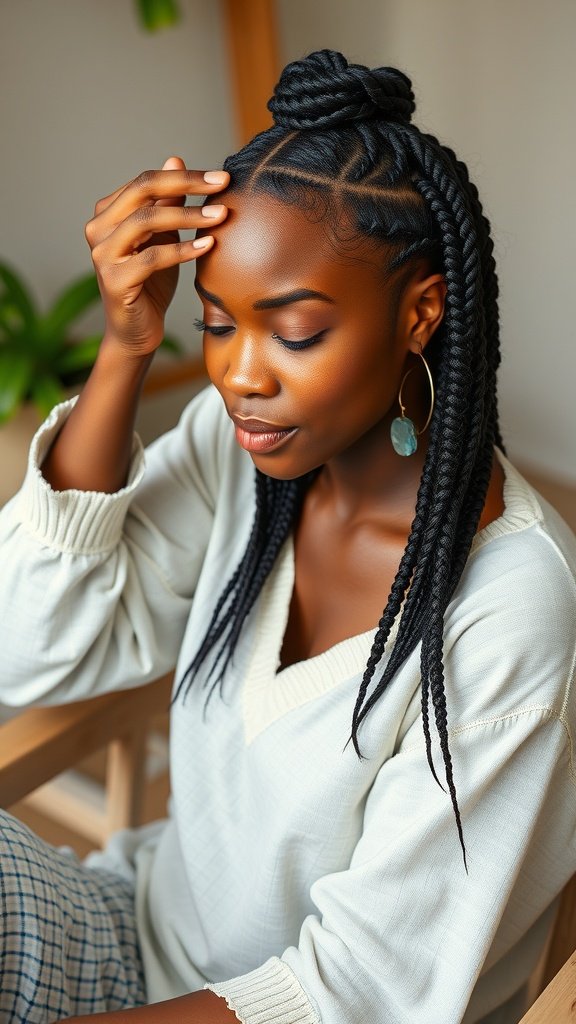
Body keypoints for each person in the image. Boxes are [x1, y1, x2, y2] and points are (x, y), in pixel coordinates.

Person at [0, 48, 574, 1024]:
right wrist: (129, 347)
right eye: (219, 325)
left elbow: (360, 990)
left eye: (295, 332)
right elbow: (26, 644)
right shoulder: (248, 458)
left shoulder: (511, 612)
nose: (239, 376)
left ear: (420, 312)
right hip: (133, 939)